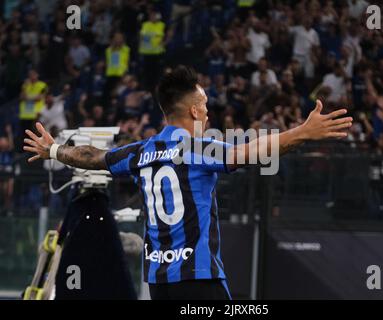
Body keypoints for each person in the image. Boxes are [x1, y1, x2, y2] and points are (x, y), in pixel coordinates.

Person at [22, 65, 352, 300]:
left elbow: (94, 156)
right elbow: (248, 153)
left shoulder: (140, 151)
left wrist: (53, 149)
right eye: (205, 106)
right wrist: (302, 133)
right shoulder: (196, 147)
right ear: (194, 112)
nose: (208, 113)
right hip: (199, 279)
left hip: (159, 285)